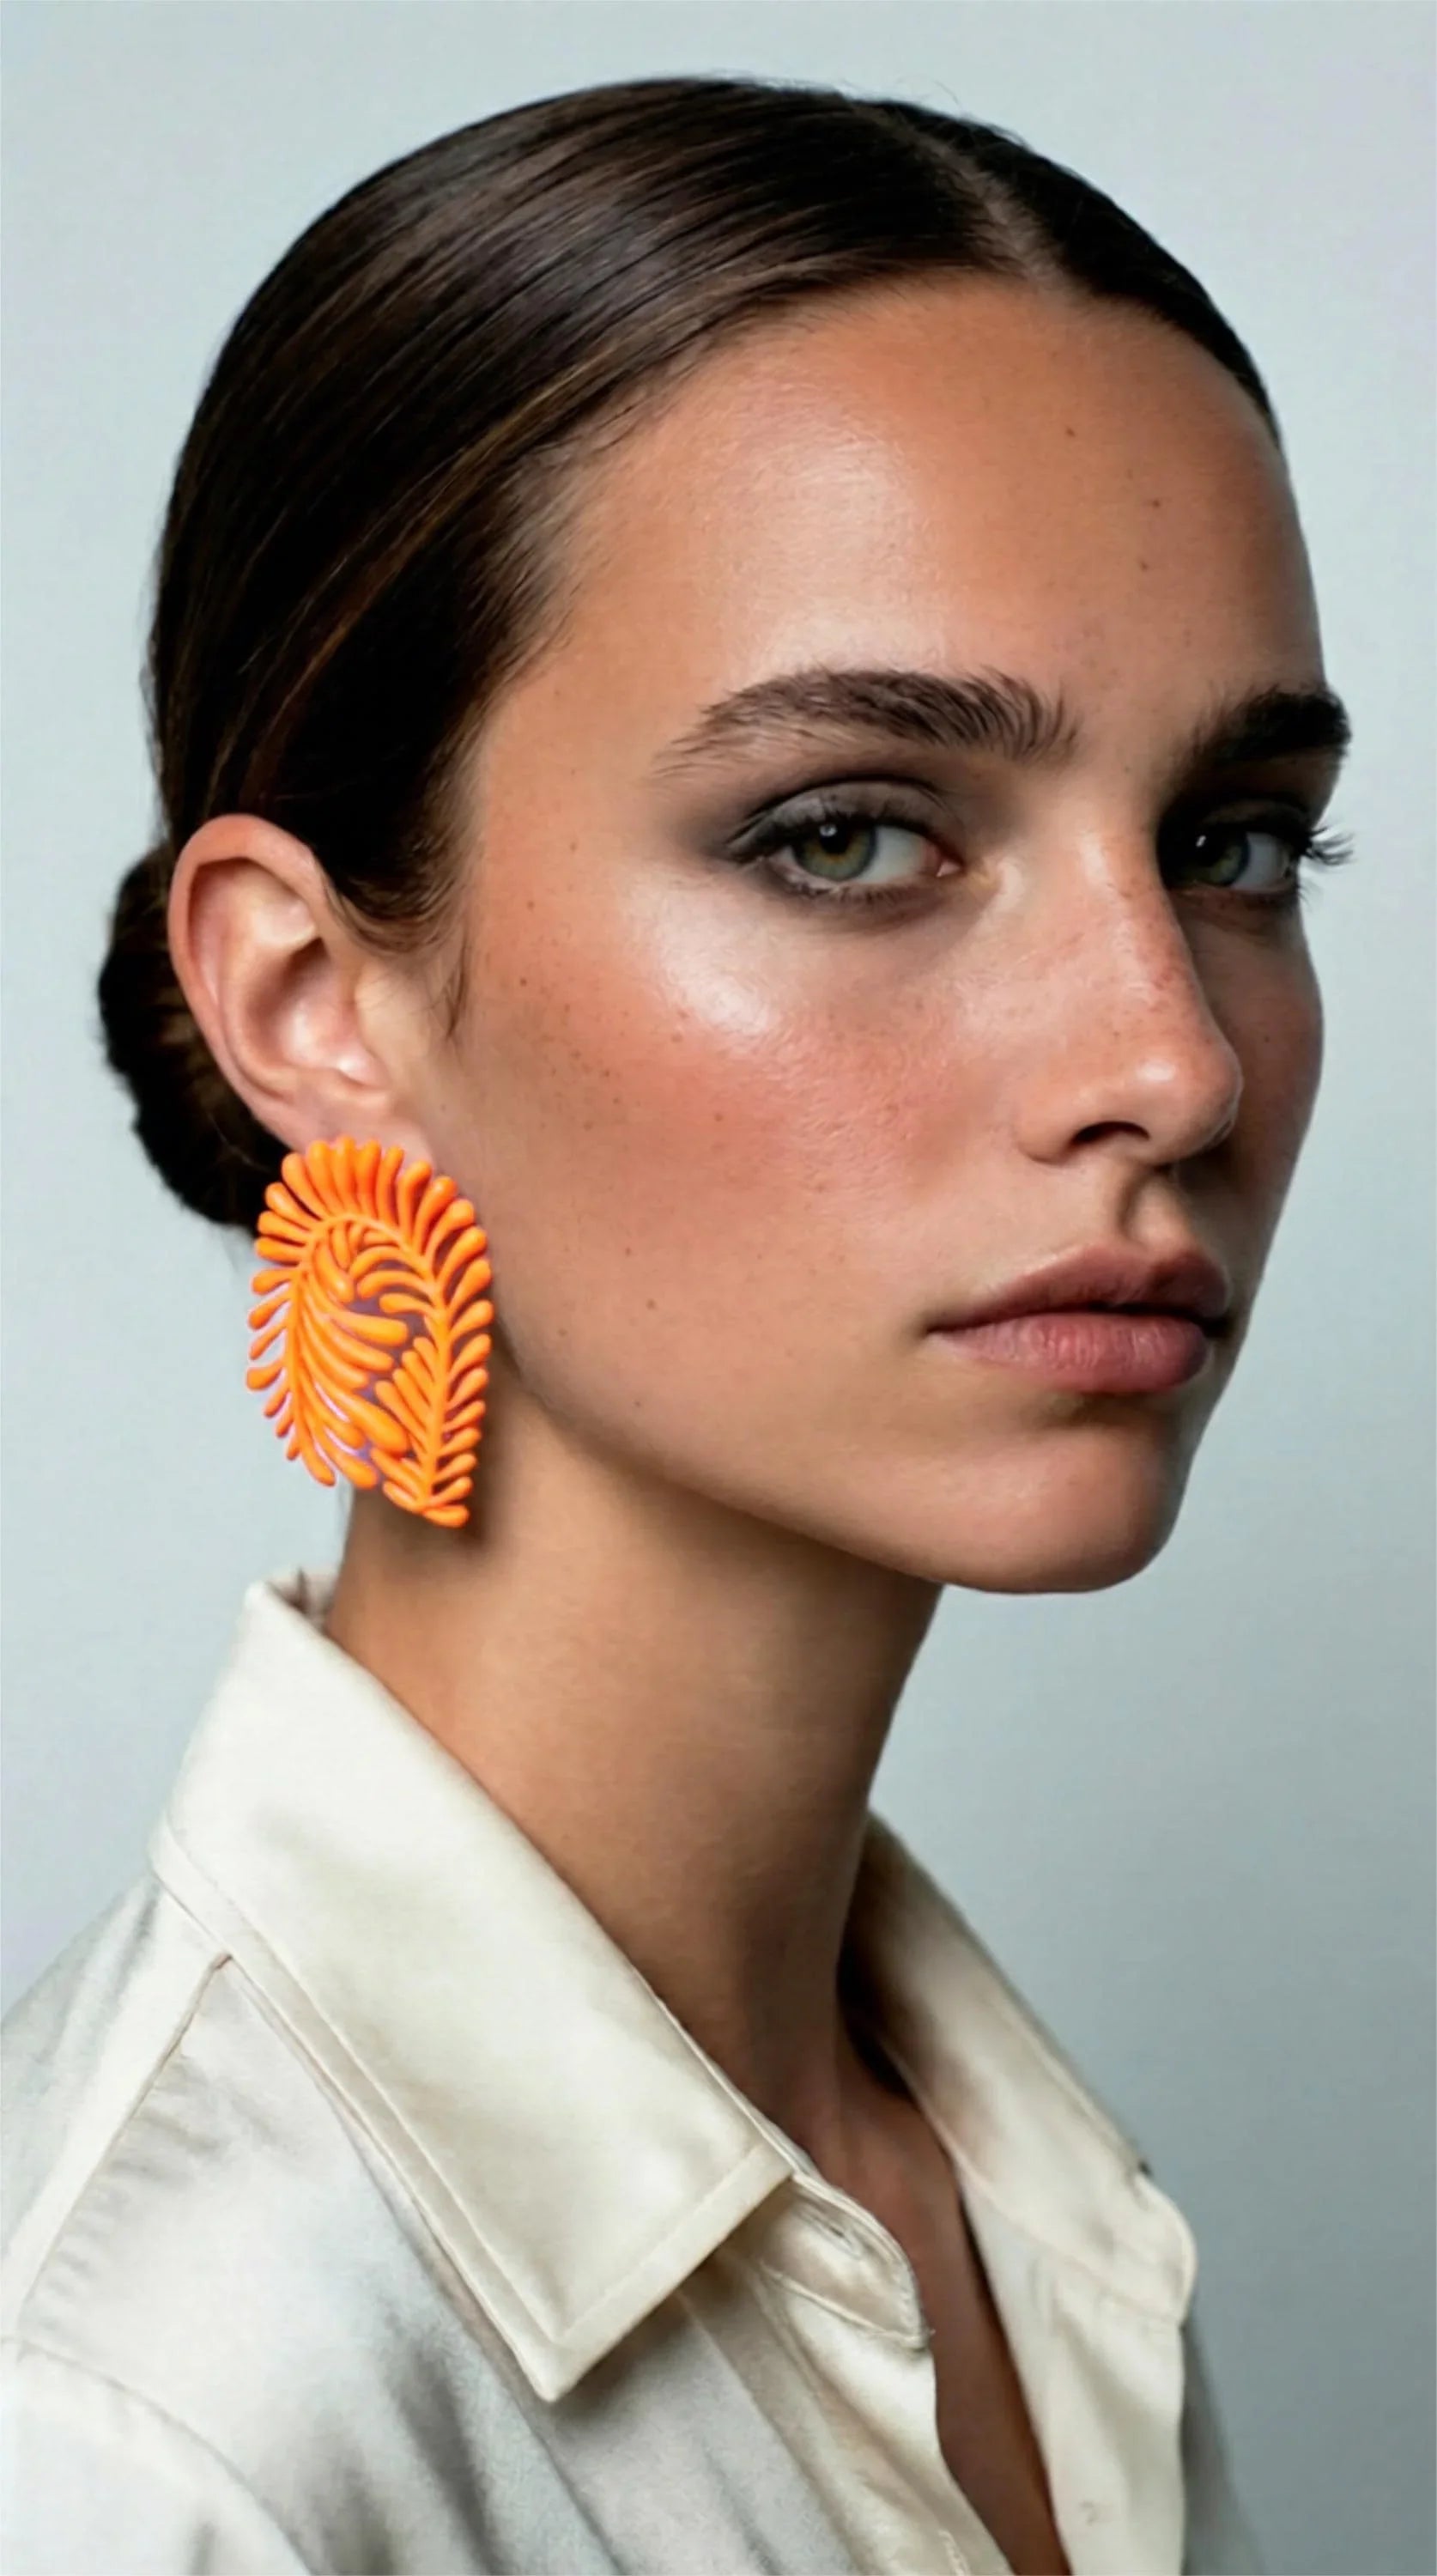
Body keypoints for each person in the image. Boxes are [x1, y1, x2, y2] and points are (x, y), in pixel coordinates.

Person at [0, 70, 1354, 2576]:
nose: (1169, 1054)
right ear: (311, 992)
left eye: (1233, 842)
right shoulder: (139, 2432)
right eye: (847, 833)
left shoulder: (1017, 2208)